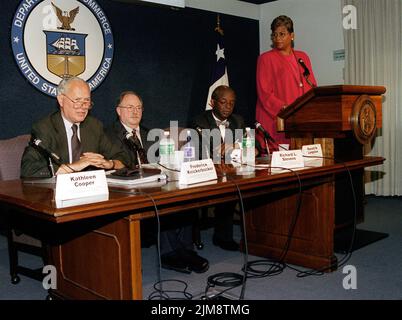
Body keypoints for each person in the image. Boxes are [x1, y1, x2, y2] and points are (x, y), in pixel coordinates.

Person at [106, 91, 209, 274]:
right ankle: (170, 255)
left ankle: (186, 250)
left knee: (184, 196)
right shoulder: (109, 135)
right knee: (161, 204)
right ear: (118, 111)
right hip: (129, 189)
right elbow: (118, 163)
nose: (135, 111)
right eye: (130, 107)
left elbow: (163, 160)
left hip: (156, 183)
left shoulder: (149, 134)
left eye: (139, 108)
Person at [21, 77, 127, 178]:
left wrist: (110, 164)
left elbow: (124, 157)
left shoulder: (94, 126)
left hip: (90, 190)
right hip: (57, 193)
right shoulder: (45, 127)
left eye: (86, 101)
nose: (83, 107)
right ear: (61, 100)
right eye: (77, 100)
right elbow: (28, 169)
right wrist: (73, 167)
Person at [192, 85, 246, 251]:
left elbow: (255, 145)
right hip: (205, 171)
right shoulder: (200, 121)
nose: (228, 106)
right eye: (223, 102)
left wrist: (236, 144)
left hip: (231, 170)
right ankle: (214, 235)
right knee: (227, 186)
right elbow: (202, 150)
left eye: (232, 103)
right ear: (212, 102)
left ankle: (224, 236)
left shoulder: (238, 120)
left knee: (236, 184)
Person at [256, 15, 317, 153]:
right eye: (274, 34)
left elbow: (312, 87)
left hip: (299, 122)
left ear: (292, 35)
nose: (277, 38)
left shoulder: (303, 57)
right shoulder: (266, 59)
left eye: (282, 34)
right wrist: (287, 110)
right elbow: (264, 94)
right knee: (281, 165)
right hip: (276, 120)